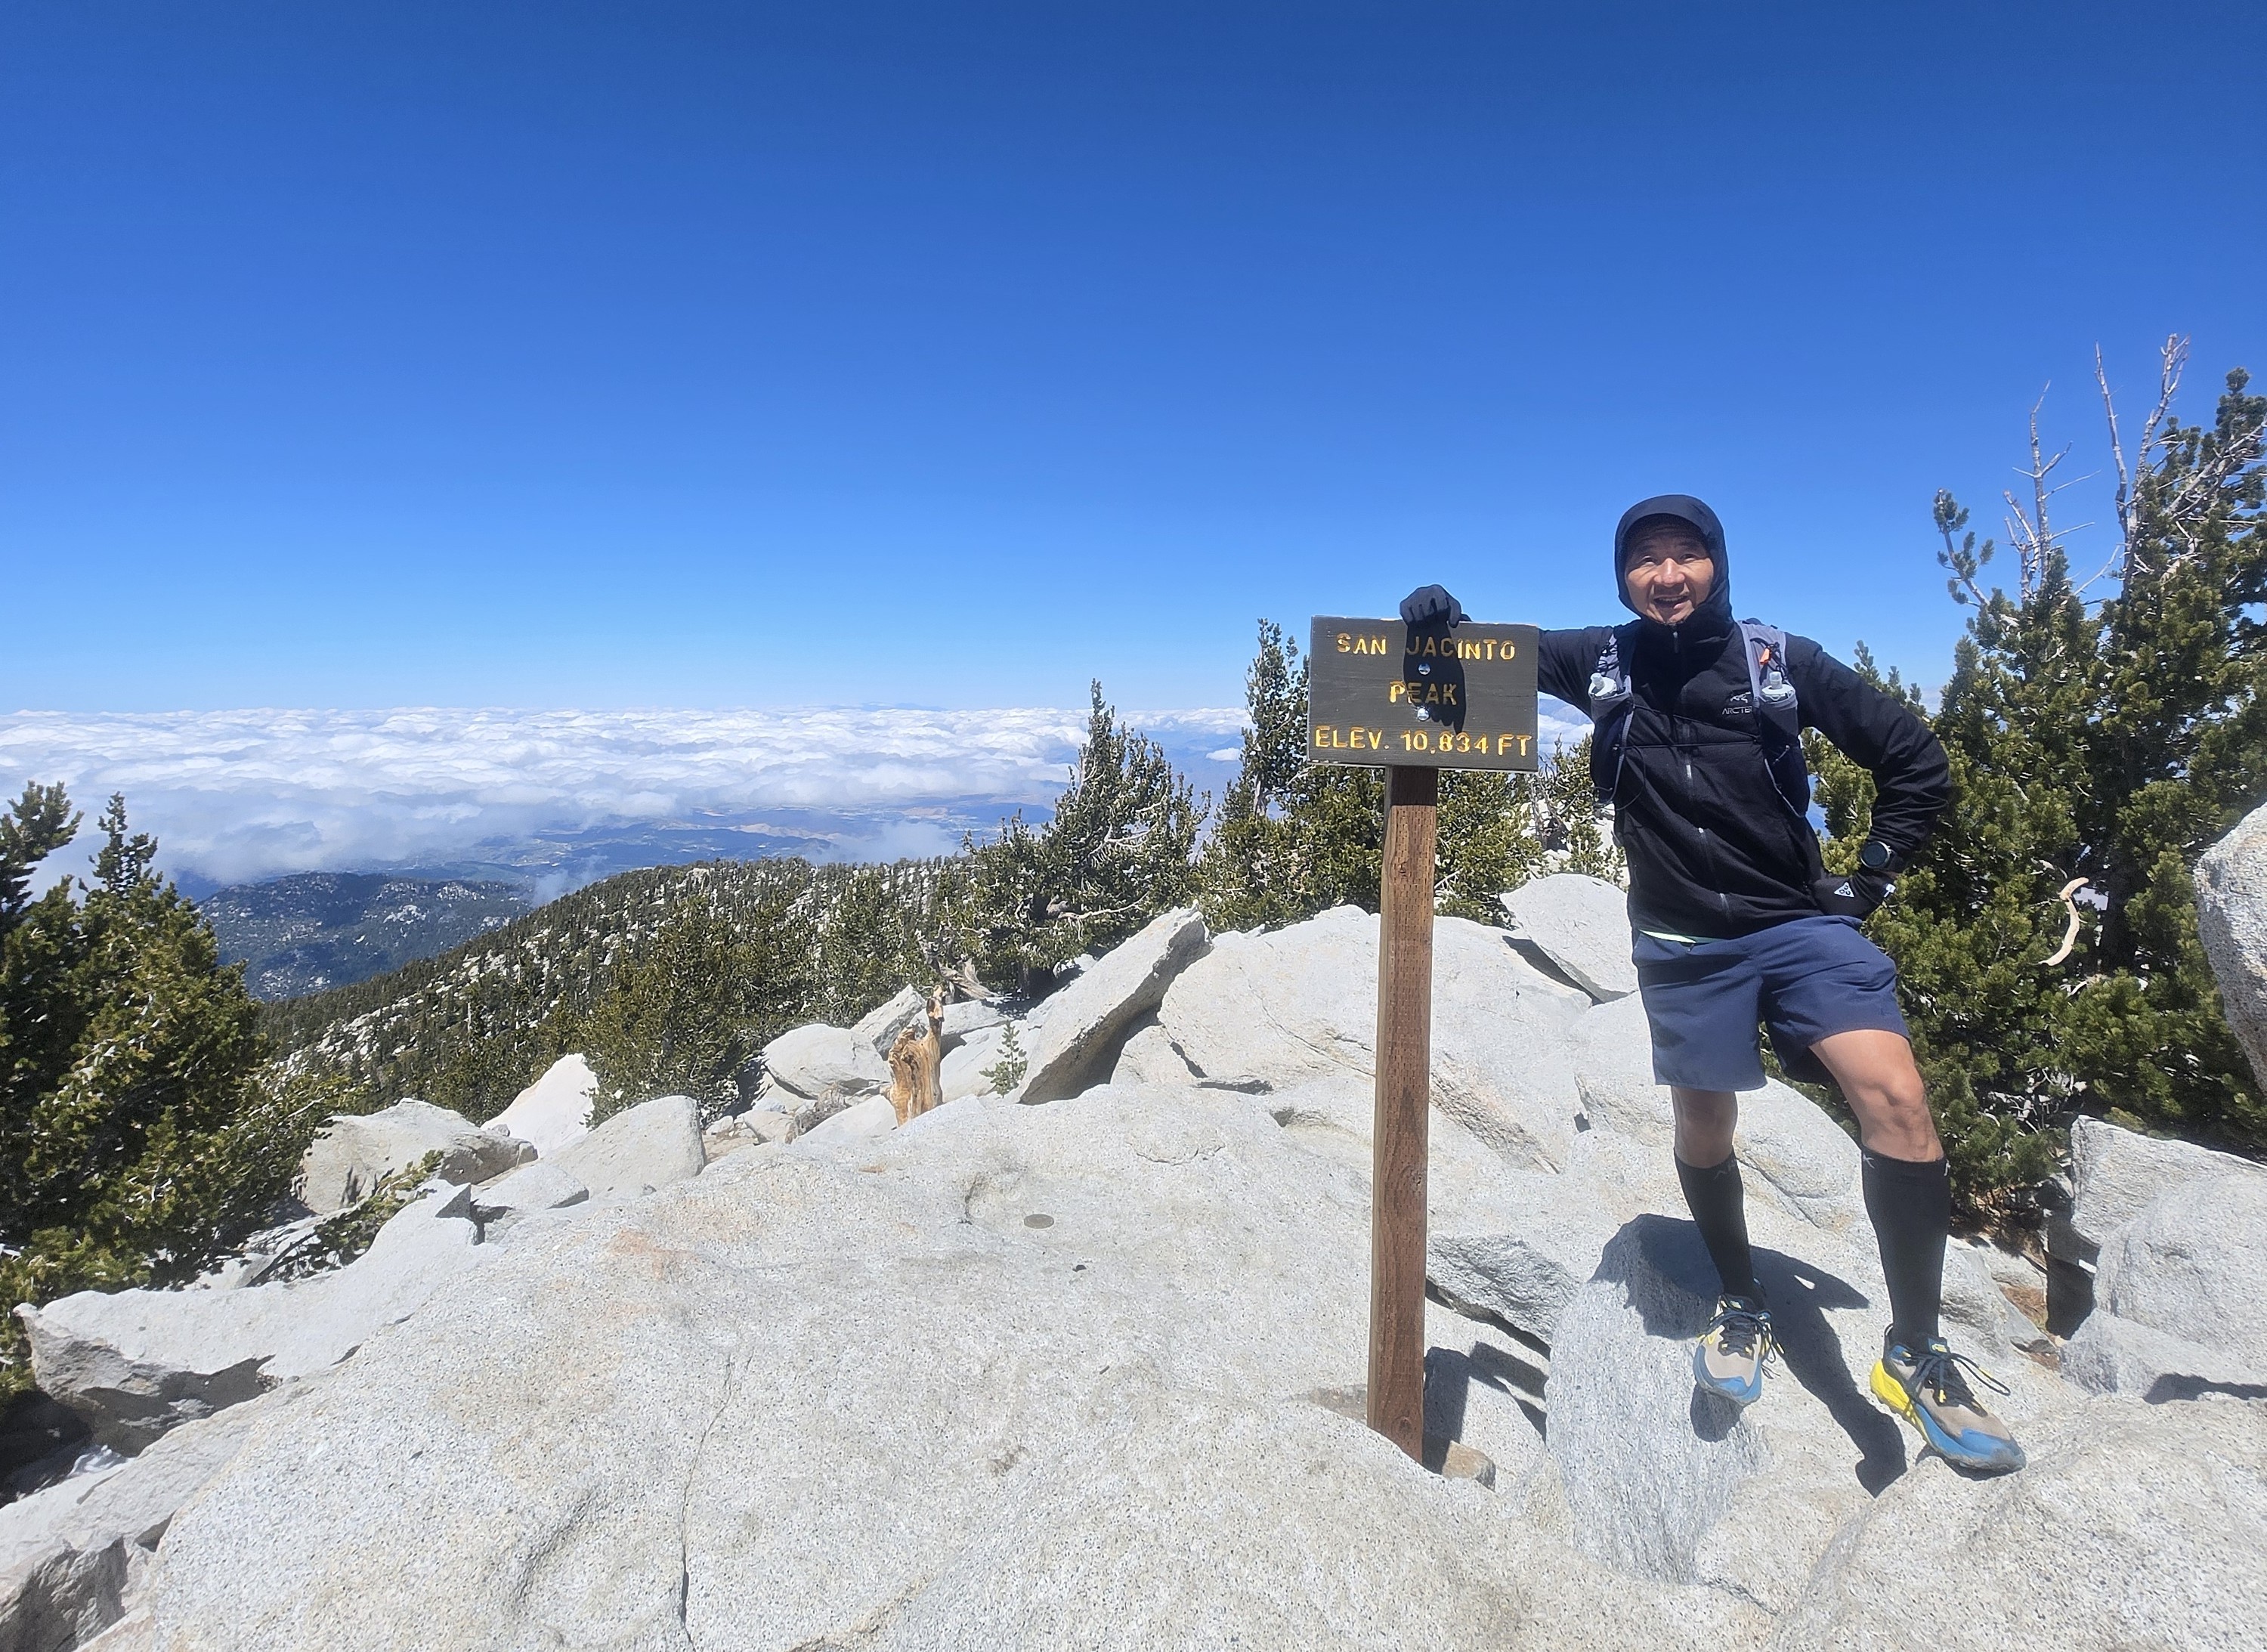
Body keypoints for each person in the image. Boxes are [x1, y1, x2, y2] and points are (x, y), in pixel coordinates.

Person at [1400, 493, 2025, 1474]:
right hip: (1685, 940)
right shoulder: (1600, 658)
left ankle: (1914, 1350)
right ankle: (1740, 1299)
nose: (1665, 573)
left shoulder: (1779, 661)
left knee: (1899, 1099)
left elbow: (1916, 758)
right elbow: (1493, 655)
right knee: (1706, 1126)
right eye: (1645, 558)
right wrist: (1441, 621)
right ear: (1624, 577)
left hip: (1800, 925)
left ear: (1715, 564)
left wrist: (1870, 879)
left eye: (1684, 553)